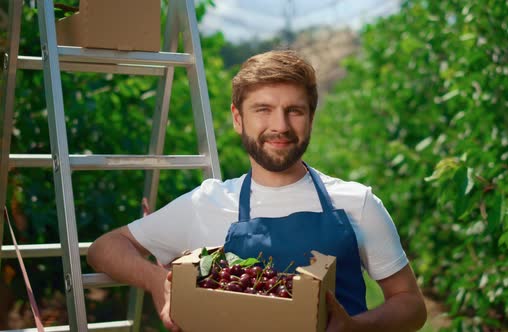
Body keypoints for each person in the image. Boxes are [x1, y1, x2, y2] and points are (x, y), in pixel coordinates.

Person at [87, 50, 427, 331]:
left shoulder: (357, 202)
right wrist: (156, 282)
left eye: (294, 111)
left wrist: (356, 328)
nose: (280, 126)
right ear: (238, 119)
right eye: (263, 110)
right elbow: (105, 248)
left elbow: (411, 305)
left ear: (310, 118)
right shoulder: (206, 202)